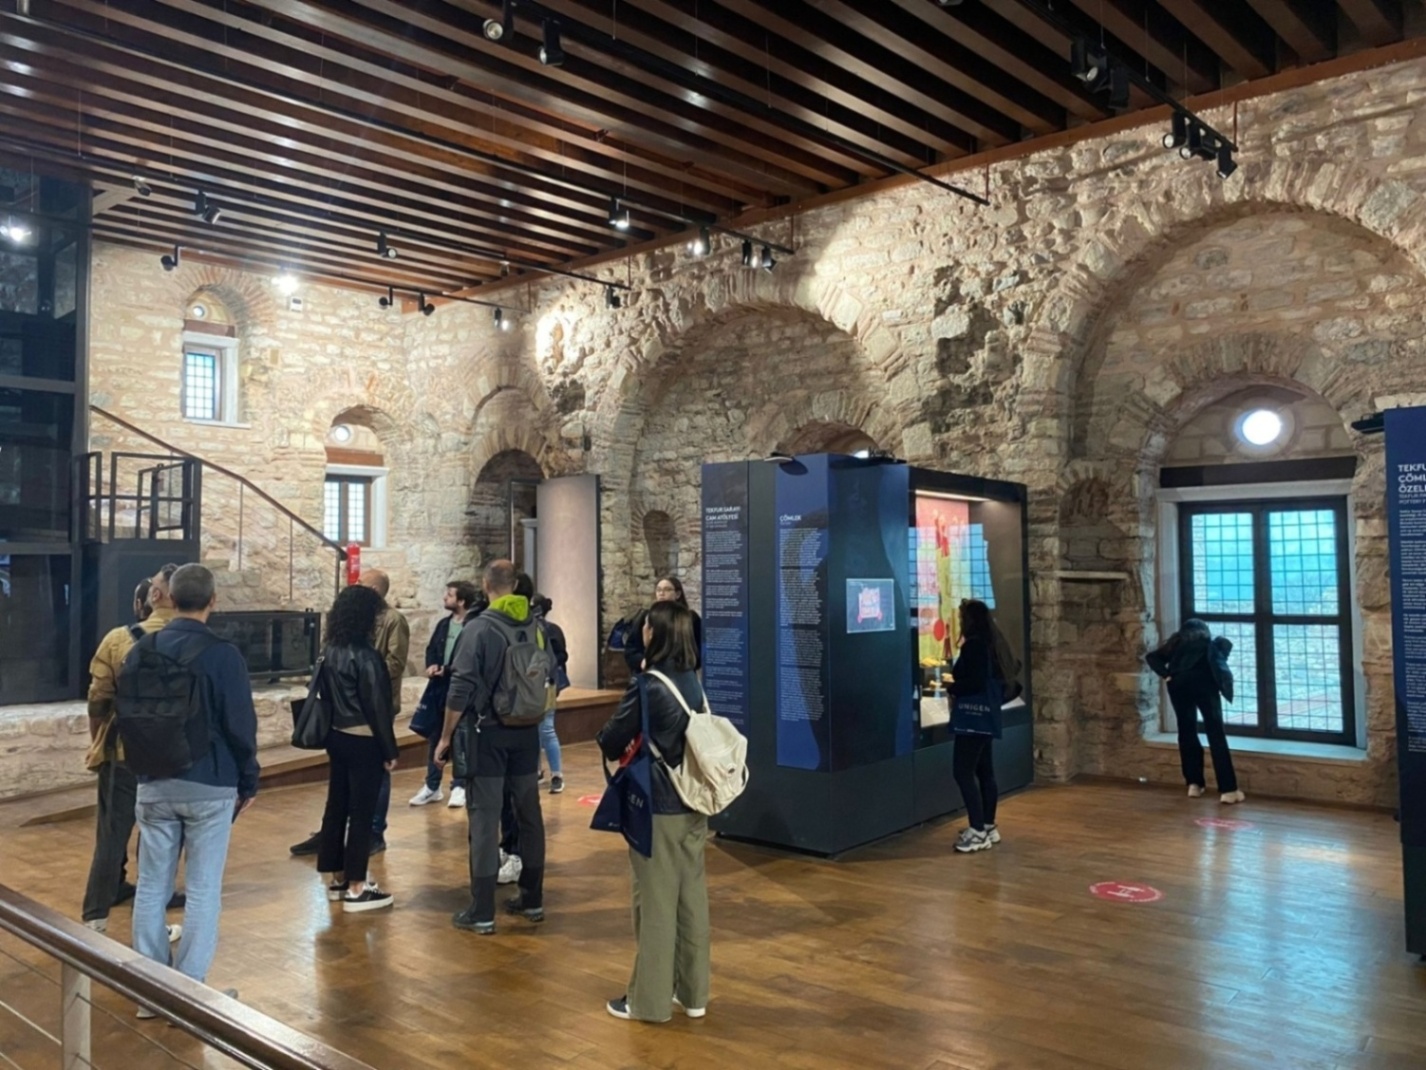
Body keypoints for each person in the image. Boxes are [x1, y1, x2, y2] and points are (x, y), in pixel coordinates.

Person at [127, 564, 258, 1012]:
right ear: (213, 600)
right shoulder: (223, 655)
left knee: (151, 886)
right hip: (210, 780)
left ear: (167, 597)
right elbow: (240, 725)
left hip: (153, 780)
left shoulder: (140, 648)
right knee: (203, 889)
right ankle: (190, 994)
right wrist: (249, 778)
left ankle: (151, 993)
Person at [596, 600, 711, 1023]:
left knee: (656, 903)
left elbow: (611, 739)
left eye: (645, 626)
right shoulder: (692, 681)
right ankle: (693, 994)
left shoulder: (649, 686)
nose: (641, 631)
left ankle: (649, 1001)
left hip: (659, 807)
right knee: (691, 899)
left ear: (655, 633)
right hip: (692, 802)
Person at [435, 559, 547, 936]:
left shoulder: (479, 628)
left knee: (484, 817)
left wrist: (446, 736)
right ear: (515, 585)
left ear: (485, 585)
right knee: (529, 815)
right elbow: (548, 677)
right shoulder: (536, 626)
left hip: (488, 733)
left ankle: (482, 910)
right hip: (527, 731)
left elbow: (460, 687)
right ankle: (532, 899)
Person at [82, 564, 185, 933]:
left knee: (111, 837)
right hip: (175, 755)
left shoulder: (118, 639)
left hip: (124, 752)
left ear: (154, 596)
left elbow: (98, 701)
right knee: (162, 838)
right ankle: (153, 921)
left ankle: (95, 919)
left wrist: (100, 742)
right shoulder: (198, 642)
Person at [289, 568, 409, 856]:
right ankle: (331, 834)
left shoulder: (393, 620)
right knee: (340, 785)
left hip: (374, 708)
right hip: (343, 714)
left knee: (376, 775)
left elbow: (395, 661)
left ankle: (373, 832)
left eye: (361, 584)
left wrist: (362, 677)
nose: (354, 586)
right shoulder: (346, 629)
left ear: (375, 590)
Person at [316, 584, 400, 911]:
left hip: (336, 735)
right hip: (364, 740)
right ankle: (356, 887)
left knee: (336, 806)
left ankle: (337, 878)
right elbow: (377, 709)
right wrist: (390, 751)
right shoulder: (367, 656)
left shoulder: (329, 650)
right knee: (362, 812)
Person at [1148, 619, 1243, 804]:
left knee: (1186, 732)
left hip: (1178, 686)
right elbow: (1221, 662)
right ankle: (1228, 790)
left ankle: (1194, 784)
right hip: (1205, 687)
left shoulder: (1176, 644)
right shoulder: (1209, 644)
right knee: (1215, 734)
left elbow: (1152, 657)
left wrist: (1166, 675)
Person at [409, 580, 481, 806]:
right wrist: (432, 665)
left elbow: (470, 660)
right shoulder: (443, 624)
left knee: (459, 737)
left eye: (450, 595)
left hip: (461, 689)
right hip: (440, 689)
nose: (445, 598)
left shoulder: (473, 626)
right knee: (436, 736)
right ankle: (432, 785)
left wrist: (448, 669)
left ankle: (459, 785)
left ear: (461, 601)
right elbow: (432, 649)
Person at [949, 599, 1008, 854]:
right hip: (987, 716)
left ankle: (977, 831)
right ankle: (987, 824)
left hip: (972, 718)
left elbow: (973, 682)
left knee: (962, 771)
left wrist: (952, 688)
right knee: (985, 771)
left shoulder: (973, 646)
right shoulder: (992, 644)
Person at [622, 576, 703, 674]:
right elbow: (631, 649)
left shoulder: (689, 618)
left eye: (667, 589)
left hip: (681, 671)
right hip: (650, 672)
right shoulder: (646, 617)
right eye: (658, 590)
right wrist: (642, 661)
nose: (661, 593)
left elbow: (699, 648)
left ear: (678, 594)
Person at [533, 594, 568, 794]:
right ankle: (537, 771)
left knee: (546, 728)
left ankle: (557, 775)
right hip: (530, 684)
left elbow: (562, 655)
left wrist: (545, 665)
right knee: (533, 729)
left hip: (547, 682)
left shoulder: (550, 629)